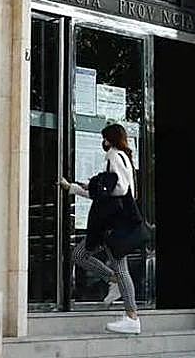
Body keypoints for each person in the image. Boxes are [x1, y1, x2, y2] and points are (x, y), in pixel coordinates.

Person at [58, 123, 142, 335]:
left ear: (110, 139)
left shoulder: (115, 155)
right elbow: (105, 192)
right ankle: (112, 279)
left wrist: (97, 184)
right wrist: (75, 188)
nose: (102, 142)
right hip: (106, 224)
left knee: (122, 268)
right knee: (79, 254)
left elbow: (120, 188)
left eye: (104, 138)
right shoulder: (121, 158)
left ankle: (132, 317)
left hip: (113, 224)